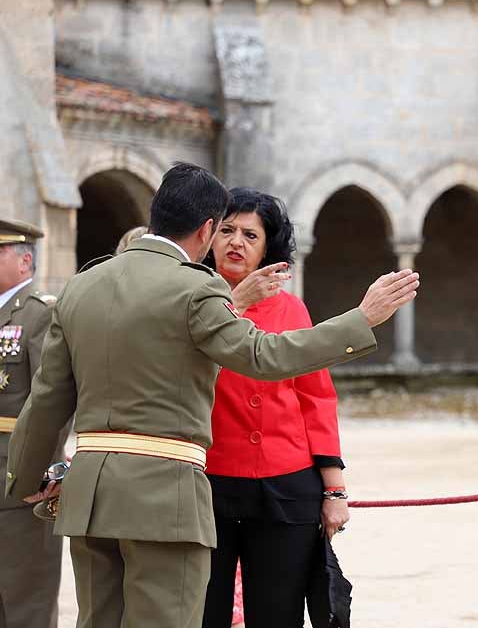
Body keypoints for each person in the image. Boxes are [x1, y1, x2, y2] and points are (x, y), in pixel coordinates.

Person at [4, 162, 419, 628]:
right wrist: (361, 319)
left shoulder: (82, 285)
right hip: (165, 498)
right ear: (206, 230)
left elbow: (46, 401)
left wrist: (23, 480)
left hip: (89, 497)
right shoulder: (197, 289)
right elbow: (264, 356)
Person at [198, 188, 347, 628]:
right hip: (207, 481)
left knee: (278, 615)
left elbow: (316, 398)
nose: (235, 242)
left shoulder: (292, 309)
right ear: (208, 236)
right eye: (226, 230)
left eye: (250, 234)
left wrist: (334, 490)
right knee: (202, 613)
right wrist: (234, 304)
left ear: (268, 248)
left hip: (287, 486)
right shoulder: (191, 302)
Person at [0, 219, 61, 628]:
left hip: (19, 476)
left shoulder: (40, 314)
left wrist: (43, 472)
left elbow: (52, 401)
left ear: (25, 261)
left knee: (26, 598)